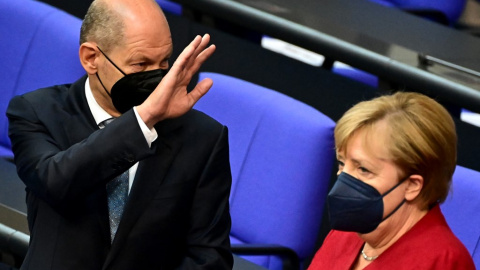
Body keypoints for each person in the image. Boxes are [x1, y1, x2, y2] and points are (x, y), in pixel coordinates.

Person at [6, 0, 233, 269]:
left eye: (164, 62)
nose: (157, 78)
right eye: (140, 64)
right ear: (91, 58)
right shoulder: (36, 112)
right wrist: (144, 119)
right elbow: (57, 182)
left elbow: (209, 257)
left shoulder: (204, 137)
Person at [308, 92, 475, 270]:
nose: (343, 179)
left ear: (412, 185)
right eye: (341, 163)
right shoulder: (348, 230)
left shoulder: (444, 263)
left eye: (363, 169)